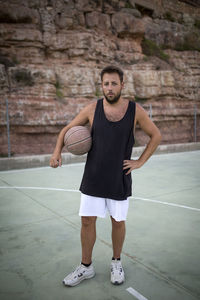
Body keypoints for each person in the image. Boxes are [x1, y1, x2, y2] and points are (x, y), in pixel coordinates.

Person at [50, 65, 162, 287]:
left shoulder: (135, 110)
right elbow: (66, 130)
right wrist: (57, 152)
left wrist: (140, 162)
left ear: (122, 85)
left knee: (118, 222)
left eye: (114, 83)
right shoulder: (92, 109)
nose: (109, 88)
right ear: (101, 86)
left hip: (119, 177)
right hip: (93, 176)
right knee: (87, 221)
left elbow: (156, 135)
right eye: (106, 84)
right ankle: (85, 266)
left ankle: (116, 262)